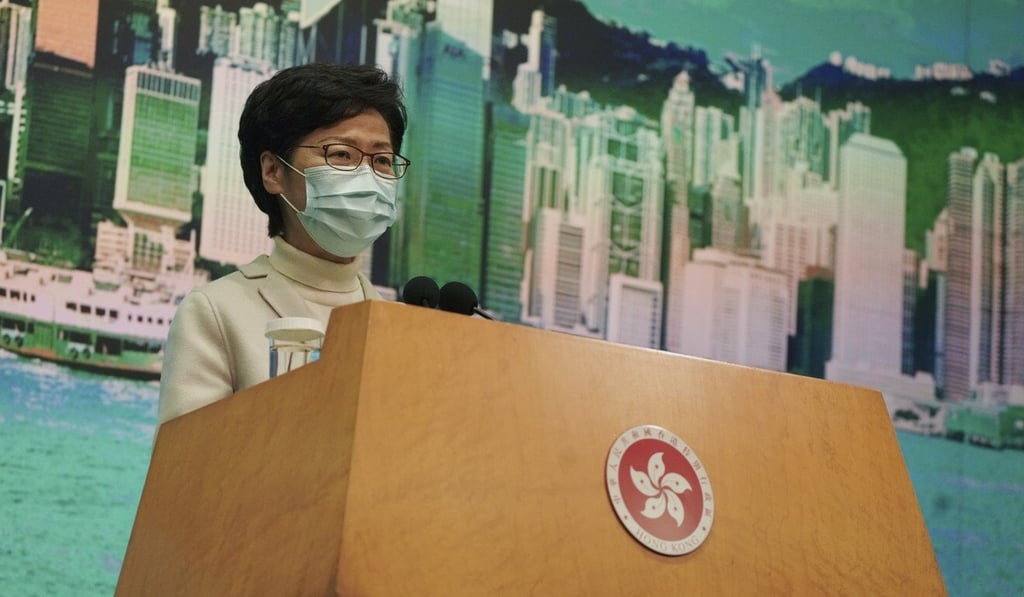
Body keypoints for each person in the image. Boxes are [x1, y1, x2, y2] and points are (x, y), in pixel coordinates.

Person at [157, 63, 409, 424]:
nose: (367, 175)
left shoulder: (396, 327)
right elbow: (187, 471)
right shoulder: (217, 312)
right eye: (341, 154)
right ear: (273, 171)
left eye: (382, 160)